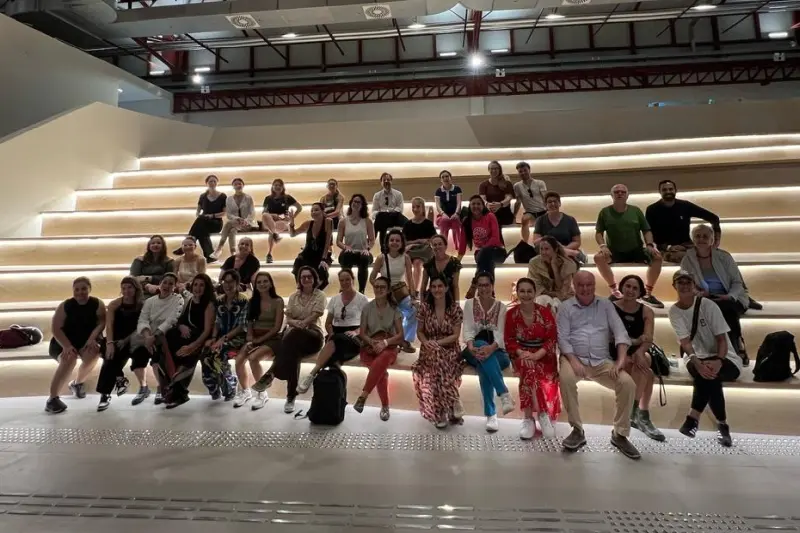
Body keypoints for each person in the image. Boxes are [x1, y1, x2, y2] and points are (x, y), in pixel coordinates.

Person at [557, 271, 640, 460]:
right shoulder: (565, 307)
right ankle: (577, 430)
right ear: (574, 286)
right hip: (573, 358)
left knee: (627, 384)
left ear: (594, 286)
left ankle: (620, 434)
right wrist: (574, 361)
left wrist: (620, 361)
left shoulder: (606, 305)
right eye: (581, 285)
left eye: (589, 285)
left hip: (601, 361)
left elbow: (620, 333)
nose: (585, 289)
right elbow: (563, 339)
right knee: (566, 378)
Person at [669, 270, 742, 447]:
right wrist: (696, 361)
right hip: (695, 356)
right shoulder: (674, 311)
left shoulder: (708, 305)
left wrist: (719, 361)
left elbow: (721, 339)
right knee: (707, 374)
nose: (684, 286)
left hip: (725, 356)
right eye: (680, 282)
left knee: (709, 375)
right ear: (674, 286)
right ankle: (722, 425)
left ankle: (693, 418)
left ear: (694, 285)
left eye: (688, 282)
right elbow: (685, 343)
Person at [252, 266, 326, 413]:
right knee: (293, 354)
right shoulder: (293, 296)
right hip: (294, 339)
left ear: (314, 279)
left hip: (313, 336)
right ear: (299, 279)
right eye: (303, 277)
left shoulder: (320, 295)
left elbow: (316, 314)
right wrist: (296, 323)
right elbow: (289, 317)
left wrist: (300, 324)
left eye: (309, 277)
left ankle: (271, 373)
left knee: (292, 336)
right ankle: (291, 397)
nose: (306, 279)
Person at [680, 224, 750, 366]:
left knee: (726, 308)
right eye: (698, 236)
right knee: (707, 309)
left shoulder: (724, 257)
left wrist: (729, 296)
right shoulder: (687, 259)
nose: (701, 239)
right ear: (693, 239)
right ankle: (707, 350)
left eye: (705, 236)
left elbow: (737, 282)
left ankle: (737, 345)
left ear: (712, 240)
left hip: (731, 298)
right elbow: (688, 283)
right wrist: (698, 293)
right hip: (705, 298)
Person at [297, 269, 370, 394]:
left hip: (354, 336)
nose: (345, 282)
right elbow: (328, 323)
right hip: (335, 333)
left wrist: (356, 332)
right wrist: (330, 333)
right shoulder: (335, 299)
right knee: (334, 352)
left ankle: (312, 373)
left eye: (347, 279)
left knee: (336, 340)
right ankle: (332, 391)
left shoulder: (362, 299)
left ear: (353, 280)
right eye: (342, 280)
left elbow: (366, 324)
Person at [504, 277, 560, 440]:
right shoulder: (511, 314)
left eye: (529, 291)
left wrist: (536, 355)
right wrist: (522, 353)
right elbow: (509, 340)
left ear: (535, 293)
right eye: (522, 291)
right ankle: (539, 415)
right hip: (521, 353)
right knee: (528, 367)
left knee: (531, 368)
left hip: (543, 354)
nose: (526, 294)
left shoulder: (545, 312)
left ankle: (531, 417)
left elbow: (551, 339)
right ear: (517, 293)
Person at [612, 274, 665, 441]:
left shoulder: (647, 311)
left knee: (645, 360)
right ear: (622, 287)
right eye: (628, 286)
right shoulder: (610, 308)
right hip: (615, 352)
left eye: (635, 288)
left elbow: (648, 338)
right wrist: (630, 348)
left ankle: (633, 411)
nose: (630, 290)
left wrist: (640, 351)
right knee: (648, 373)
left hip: (636, 353)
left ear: (640, 291)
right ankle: (640, 415)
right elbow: (610, 337)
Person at [594, 184, 664, 308]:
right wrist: (603, 246)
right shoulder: (605, 212)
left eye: (623, 192)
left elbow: (646, 230)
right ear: (612, 195)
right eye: (616, 192)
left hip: (636, 250)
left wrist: (649, 245)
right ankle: (615, 292)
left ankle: (647, 294)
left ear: (627, 195)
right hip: (614, 251)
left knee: (657, 257)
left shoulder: (636, 211)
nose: (620, 194)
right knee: (598, 258)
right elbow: (599, 232)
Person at [461, 272, 514, 433]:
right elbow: (468, 329)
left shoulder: (501, 307)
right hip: (473, 349)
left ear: (492, 286)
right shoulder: (469, 304)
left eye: (486, 285)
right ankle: (503, 394)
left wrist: (490, 349)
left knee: (484, 366)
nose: (483, 288)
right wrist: (471, 346)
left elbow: (500, 334)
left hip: (496, 351)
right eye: (480, 285)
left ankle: (491, 414)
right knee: (480, 346)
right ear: (477, 287)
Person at [45, 277, 107, 414]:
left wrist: (92, 339)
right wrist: (67, 346)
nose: (80, 292)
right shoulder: (65, 305)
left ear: (89, 289)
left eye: (84, 289)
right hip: (63, 342)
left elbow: (101, 323)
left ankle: (77, 383)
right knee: (70, 358)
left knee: (93, 353)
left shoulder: (97, 303)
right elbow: (56, 328)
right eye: (77, 289)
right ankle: (52, 398)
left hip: (85, 341)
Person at [413, 276, 464, 428]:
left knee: (436, 361)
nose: (437, 289)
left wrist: (437, 343)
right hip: (428, 347)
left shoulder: (455, 309)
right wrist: (426, 342)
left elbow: (455, 335)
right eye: (434, 286)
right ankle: (453, 400)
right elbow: (420, 332)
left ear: (446, 288)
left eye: (440, 286)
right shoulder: (424, 308)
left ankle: (439, 412)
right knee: (435, 357)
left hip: (450, 348)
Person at [161, 273, 216, 409]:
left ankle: (179, 393)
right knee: (169, 337)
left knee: (188, 355)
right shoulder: (190, 300)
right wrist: (181, 326)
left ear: (206, 288)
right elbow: (180, 320)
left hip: (199, 339)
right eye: (195, 284)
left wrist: (192, 346)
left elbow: (207, 331)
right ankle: (173, 387)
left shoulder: (209, 304)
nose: (198, 288)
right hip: (186, 335)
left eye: (201, 285)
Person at [354, 275, 404, 421]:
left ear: (388, 290)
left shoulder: (394, 309)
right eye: (376, 286)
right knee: (381, 371)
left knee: (384, 358)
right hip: (370, 347)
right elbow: (362, 333)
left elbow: (401, 335)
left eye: (382, 287)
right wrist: (372, 342)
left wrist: (385, 343)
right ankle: (385, 406)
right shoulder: (367, 308)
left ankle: (363, 396)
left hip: (389, 347)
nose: (379, 289)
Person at [233, 272, 284, 409]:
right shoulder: (253, 301)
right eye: (259, 282)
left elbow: (276, 328)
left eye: (265, 281)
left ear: (271, 283)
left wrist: (258, 341)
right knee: (239, 360)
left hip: (272, 338)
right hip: (254, 337)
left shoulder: (278, 301)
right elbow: (249, 323)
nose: (262, 284)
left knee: (253, 358)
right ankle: (245, 391)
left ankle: (262, 393)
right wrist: (250, 338)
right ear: (255, 285)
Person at [132, 272, 184, 406]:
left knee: (157, 358)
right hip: (147, 335)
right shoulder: (150, 301)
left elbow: (171, 320)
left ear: (175, 286)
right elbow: (143, 319)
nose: (167, 285)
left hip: (164, 336)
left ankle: (161, 387)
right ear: (160, 284)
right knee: (137, 355)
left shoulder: (178, 299)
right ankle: (143, 387)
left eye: (171, 283)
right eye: (164, 282)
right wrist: (147, 336)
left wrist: (154, 337)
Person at [95, 276, 143, 411]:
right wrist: (110, 343)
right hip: (115, 338)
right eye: (123, 288)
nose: (126, 291)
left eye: (129, 287)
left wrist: (125, 340)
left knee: (111, 358)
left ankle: (106, 394)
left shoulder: (142, 305)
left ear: (136, 289)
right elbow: (109, 325)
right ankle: (119, 379)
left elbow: (140, 327)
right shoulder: (114, 304)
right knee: (108, 352)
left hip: (132, 339)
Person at [645, 179, 721, 264]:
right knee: (687, 257)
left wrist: (716, 241)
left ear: (675, 190)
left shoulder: (685, 206)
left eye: (670, 189)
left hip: (687, 245)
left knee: (716, 255)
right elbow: (649, 232)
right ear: (660, 192)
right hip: (665, 249)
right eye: (664, 190)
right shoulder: (652, 209)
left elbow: (714, 218)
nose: (668, 192)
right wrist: (668, 247)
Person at [202, 270, 248, 402]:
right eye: (225, 282)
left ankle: (230, 385)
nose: (227, 285)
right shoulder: (219, 300)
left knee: (218, 352)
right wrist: (213, 338)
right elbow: (217, 322)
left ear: (237, 283)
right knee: (205, 353)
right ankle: (214, 387)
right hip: (221, 337)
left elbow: (241, 326)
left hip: (238, 339)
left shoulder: (243, 300)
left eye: (231, 282)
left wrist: (223, 339)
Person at [369, 229, 418, 353]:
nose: (394, 242)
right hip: (386, 294)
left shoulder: (405, 257)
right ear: (387, 242)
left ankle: (405, 339)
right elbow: (372, 278)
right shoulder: (381, 258)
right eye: (392, 240)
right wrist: (380, 289)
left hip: (401, 292)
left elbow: (410, 278)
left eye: (397, 240)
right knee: (391, 317)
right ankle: (392, 340)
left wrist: (413, 296)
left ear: (402, 243)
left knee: (415, 310)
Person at [174, 175, 226, 262]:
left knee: (201, 222)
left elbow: (225, 213)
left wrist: (212, 216)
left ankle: (188, 242)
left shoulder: (222, 196)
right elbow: (198, 211)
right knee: (202, 230)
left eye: (214, 181)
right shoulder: (203, 196)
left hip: (216, 223)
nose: (213, 183)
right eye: (210, 181)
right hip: (204, 223)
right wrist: (199, 214)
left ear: (217, 183)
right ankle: (209, 256)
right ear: (207, 183)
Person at [337, 194, 375, 293]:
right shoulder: (343, 221)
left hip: (362, 252)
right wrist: (345, 247)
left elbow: (372, 240)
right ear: (351, 203)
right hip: (348, 252)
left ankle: (362, 290)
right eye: (354, 201)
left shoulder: (367, 221)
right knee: (347, 255)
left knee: (364, 258)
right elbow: (338, 241)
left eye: (359, 202)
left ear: (362, 205)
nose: (356, 204)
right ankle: (345, 288)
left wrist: (367, 249)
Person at [526, 235, 576, 311]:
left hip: (564, 297)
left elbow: (563, 290)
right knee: (543, 300)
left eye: (546, 249)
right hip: (543, 294)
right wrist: (552, 295)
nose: (543, 252)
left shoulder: (567, 264)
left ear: (555, 250)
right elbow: (535, 286)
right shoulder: (534, 263)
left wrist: (554, 267)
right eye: (541, 249)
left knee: (558, 303)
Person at [290, 202, 333, 291]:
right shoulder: (308, 224)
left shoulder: (328, 222)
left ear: (322, 211)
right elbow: (292, 234)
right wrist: (292, 221)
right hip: (308, 254)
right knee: (298, 262)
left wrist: (324, 259)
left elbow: (327, 243)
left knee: (322, 271)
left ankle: (315, 293)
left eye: (316, 210)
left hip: (322, 255)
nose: (313, 212)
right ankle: (300, 289)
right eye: (312, 210)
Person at [532, 192, 584, 263]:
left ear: (559, 203)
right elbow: (536, 242)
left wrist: (563, 249)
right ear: (545, 205)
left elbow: (577, 242)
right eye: (549, 202)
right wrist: (548, 239)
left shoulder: (570, 220)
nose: (553, 204)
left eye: (555, 201)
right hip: (546, 251)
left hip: (566, 251)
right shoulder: (540, 220)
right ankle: (571, 253)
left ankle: (565, 252)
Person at [463, 195, 507, 278]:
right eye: (473, 204)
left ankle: (476, 280)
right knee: (486, 259)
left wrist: (483, 249)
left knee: (485, 256)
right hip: (480, 253)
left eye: (478, 204)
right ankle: (488, 284)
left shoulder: (490, 216)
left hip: (497, 251)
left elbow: (495, 239)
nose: (476, 206)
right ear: (469, 206)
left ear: (483, 206)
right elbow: (462, 241)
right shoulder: (467, 221)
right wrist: (458, 259)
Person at [213, 177, 256, 260]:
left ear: (243, 185)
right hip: (235, 224)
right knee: (232, 231)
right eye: (235, 184)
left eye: (239, 184)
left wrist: (246, 221)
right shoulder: (229, 199)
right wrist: (238, 218)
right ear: (233, 186)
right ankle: (233, 253)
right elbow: (229, 214)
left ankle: (219, 247)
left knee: (229, 223)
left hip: (247, 224)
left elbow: (252, 213)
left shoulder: (248, 198)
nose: (238, 185)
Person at [261, 179, 302, 264]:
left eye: (279, 185)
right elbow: (264, 212)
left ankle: (269, 253)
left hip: (282, 220)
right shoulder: (268, 198)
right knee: (265, 216)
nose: (277, 187)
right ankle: (275, 234)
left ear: (283, 187)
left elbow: (299, 207)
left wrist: (292, 218)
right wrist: (274, 215)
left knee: (271, 230)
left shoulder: (287, 198)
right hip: (270, 220)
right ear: (272, 187)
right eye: (275, 185)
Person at [403, 197, 437, 294]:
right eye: (413, 207)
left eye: (418, 207)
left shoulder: (428, 224)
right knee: (406, 263)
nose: (415, 209)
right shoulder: (408, 224)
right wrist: (417, 241)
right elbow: (404, 242)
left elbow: (433, 239)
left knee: (417, 263)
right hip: (410, 250)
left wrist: (424, 241)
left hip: (424, 251)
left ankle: (415, 290)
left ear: (422, 208)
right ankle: (410, 290)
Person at [371, 172, 407, 253]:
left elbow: (400, 209)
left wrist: (389, 212)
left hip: (395, 217)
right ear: (381, 182)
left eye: (388, 180)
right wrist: (383, 213)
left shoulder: (398, 194)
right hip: (382, 218)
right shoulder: (377, 195)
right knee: (381, 218)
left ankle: (405, 245)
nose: (386, 181)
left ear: (391, 181)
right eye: (384, 180)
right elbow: (374, 211)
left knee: (408, 223)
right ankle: (382, 248)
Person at [512, 162, 547, 245]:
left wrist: (549, 210)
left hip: (542, 210)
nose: (523, 173)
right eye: (520, 171)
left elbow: (545, 197)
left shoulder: (540, 183)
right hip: (530, 212)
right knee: (524, 219)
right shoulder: (517, 186)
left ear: (529, 170)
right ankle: (525, 243)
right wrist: (514, 215)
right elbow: (518, 201)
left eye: (525, 170)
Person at [434, 170, 465, 259]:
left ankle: (459, 249)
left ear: (450, 178)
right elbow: (438, 206)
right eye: (443, 177)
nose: (445, 178)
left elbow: (459, 203)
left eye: (447, 176)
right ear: (441, 180)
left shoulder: (457, 189)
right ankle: (442, 247)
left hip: (455, 214)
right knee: (444, 221)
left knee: (455, 221)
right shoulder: (438, 191)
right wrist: (443, 214)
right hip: (442, 215)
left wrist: (456, 213)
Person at [420, 234, 462, 302]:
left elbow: (455, 286)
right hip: (432, 298)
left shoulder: (454, 262)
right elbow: (423, 286)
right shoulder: (428, 264)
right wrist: (422, 303)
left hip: (450, 299)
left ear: (445, 246)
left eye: (440, 244)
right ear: (432, 247)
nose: (437, 247)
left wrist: (457, 303)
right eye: (434, 245)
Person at [479, 160, 515, 228]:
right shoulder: (483, 184)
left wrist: (500, 204)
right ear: (489, 170)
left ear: (499, 170)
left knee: (495, 220)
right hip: (489, 210)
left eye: (496, 168)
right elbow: (482, 199)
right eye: (492, 168)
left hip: (504, 211)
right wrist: (487, 204)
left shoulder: (507, 183)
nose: (494, 170)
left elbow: (508, 198)